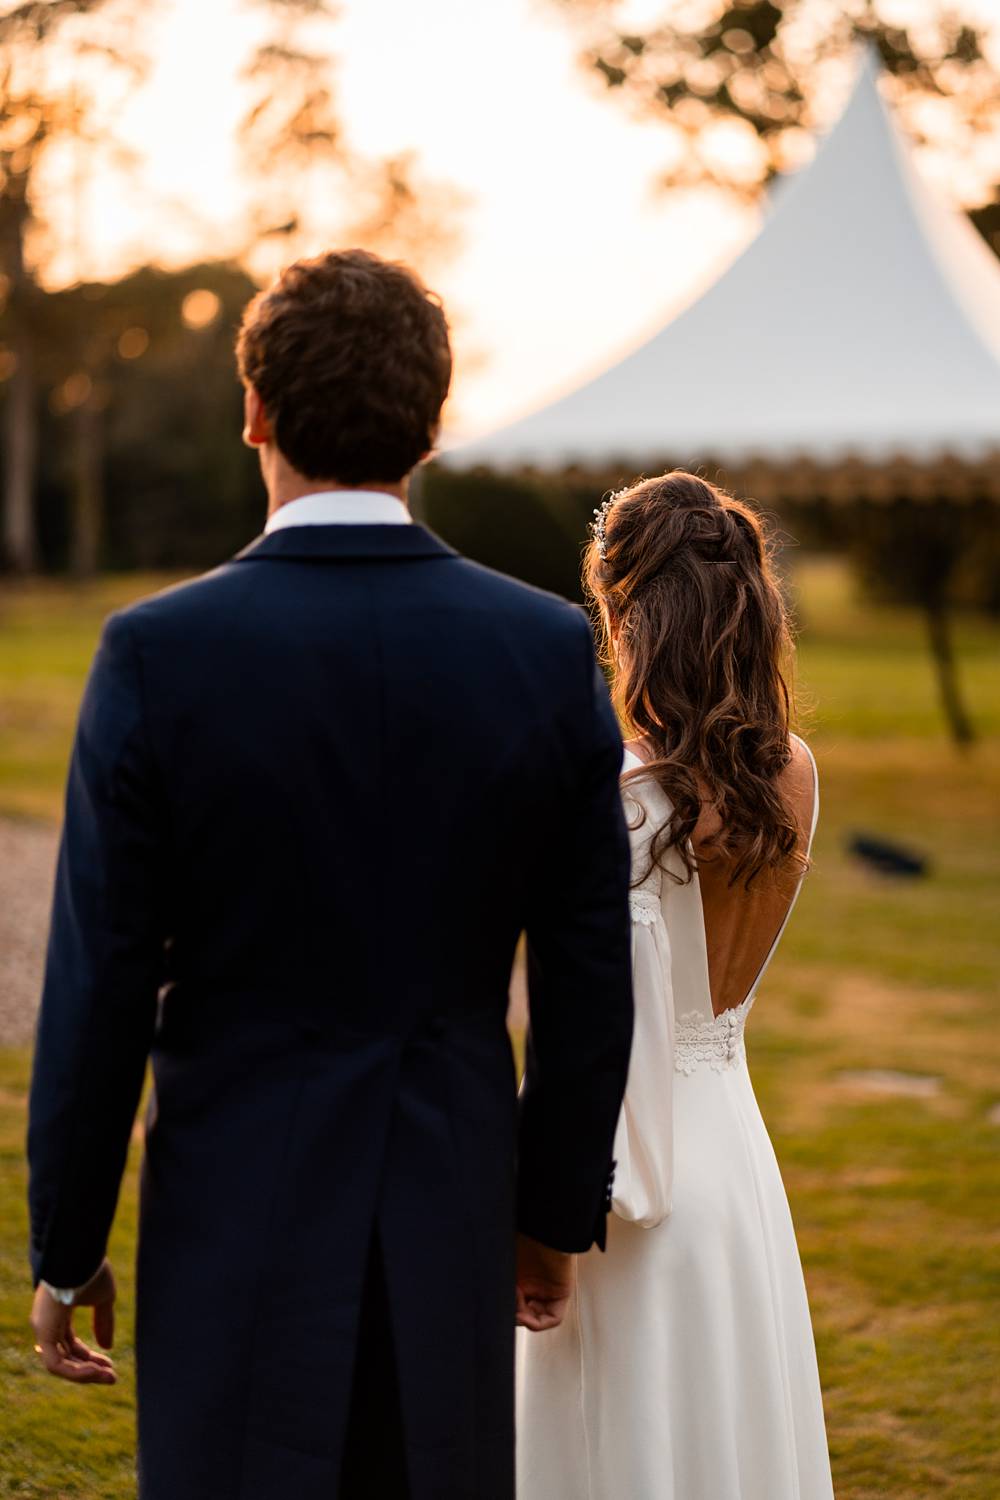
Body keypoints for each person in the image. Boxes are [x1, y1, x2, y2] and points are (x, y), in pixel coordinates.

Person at [26, 248, 634, 1500]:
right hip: (452, 1195)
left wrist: (71, 1237)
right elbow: (586, 970)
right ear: (429, 428)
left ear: (253, 411)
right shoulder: (541, 649)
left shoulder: (157, 654)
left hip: (233, 1197)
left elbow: (100, 980)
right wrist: (553, 1212)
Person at [516, 472, 835, 1500]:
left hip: (618, 1164)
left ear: (622, 614)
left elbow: (573, 1019)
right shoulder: (790, 773)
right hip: (733, 1162)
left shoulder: (609, 796)